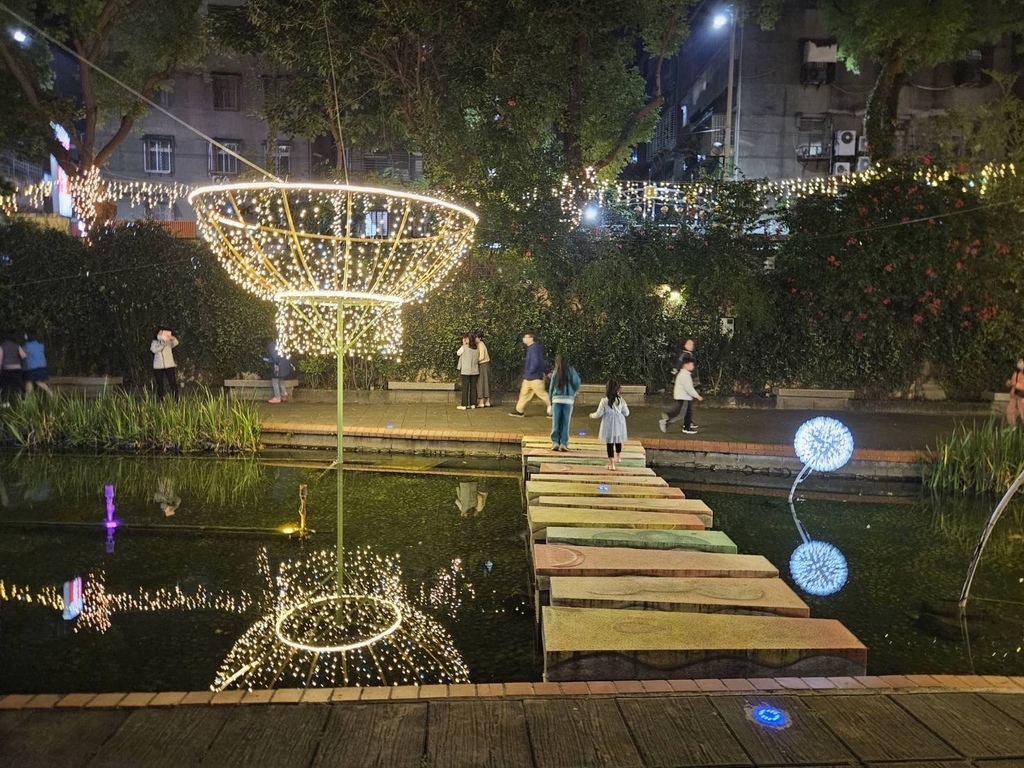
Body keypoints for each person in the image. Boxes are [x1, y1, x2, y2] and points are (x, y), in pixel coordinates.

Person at [590, 380, 631, 470]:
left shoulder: (604, 401)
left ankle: (612, 464)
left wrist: (592, 415)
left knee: (609, 443)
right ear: (617, 390)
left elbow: (599, 413)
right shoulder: (621, 400)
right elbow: (627, 413)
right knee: (618, 439)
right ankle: (618, 456)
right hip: (619, 423)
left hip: (608, 424)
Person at [509, 332, 551, 417]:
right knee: (524, 394)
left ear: (531, 338)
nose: (524, 339)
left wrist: (530, 371)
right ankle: (519, 410)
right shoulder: (533, 348)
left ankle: (554, 409)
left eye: (526, 337)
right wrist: (546, 372)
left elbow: (536, 362)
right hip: (530, 377)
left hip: (534, 377)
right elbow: (541, 362)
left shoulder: (534, 348)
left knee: (542, 394)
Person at [547, 354, 581, 451]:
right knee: (565, 422)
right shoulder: (571, 371)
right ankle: (563, 443)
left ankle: (555, 442)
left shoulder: (556, 372)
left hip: (556, 399)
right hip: (568, 400)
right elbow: (577, 382)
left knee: (556, 422)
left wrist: (550, 400)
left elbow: (551, 388)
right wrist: (574, 390)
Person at [662, 359, 702, 434]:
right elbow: (689, 388)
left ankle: (685, 425)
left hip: (683, 396)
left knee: (685, 412)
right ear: (686, 365)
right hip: (684, 397)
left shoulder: (683, 374)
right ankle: (667, 420)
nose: (693, 367)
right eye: (691, 365)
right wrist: (697, 396)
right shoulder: (685, 375)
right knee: (682, 413)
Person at [150, 327, 179, 400]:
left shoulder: (169, 342)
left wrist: (172, 338)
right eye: (159, 333)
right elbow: (153, 350)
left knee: (172, 382)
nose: (161, 335)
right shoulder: (154, 343)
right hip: (158, 366)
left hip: (169, 365)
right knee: (160, 383)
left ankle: (176, 398)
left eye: (162, 333)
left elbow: (176, 343)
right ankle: (160, 399)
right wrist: (162, 346)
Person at [22, 332, 53, 396]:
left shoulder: (25, 346)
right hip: (42, 366)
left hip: (30, 367)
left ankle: (29, 397)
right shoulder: (41, 345)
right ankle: (50, 392)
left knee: (30, 381)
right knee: (35, 381)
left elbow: (23, 356)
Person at [263, 339, 293, 404]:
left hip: (279, 367)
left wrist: (268, 360)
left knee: (274, 381)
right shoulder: (278, 345)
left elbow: (276, 359)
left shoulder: (271, 347)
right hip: (284, 366)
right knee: (280, 380)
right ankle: (284, 393)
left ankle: (277, 397)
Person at [456, 333, 480, 409]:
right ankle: (473, 404)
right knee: (473, 387)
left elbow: (458, 353)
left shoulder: (464, 347)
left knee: (465, 387)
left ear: (468, 339)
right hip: (475, 370)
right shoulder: (476, 348)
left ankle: (464, 404)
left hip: (466, 370)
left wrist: (464, 344)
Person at [0, 332, 26, 398]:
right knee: (19, 385)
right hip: (17, 368)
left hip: (7, 369)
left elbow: (0, 358)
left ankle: (6, 401)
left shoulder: (2, 346)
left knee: (5, 386)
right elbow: (24, 356)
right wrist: (20, 363)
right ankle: (22, 399)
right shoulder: (17, 345)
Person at [475, 330, 492, 407]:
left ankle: (482, 401)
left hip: (483, 365)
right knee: (486, 382)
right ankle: (487, 401)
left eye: (476, 337)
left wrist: (475, 361)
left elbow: (482, 357)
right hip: (486, 365)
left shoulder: (480, 345)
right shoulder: (481, 344)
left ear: (479, 338)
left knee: (481, 383)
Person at [1006, 358, 1024, 426]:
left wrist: (1015, 384)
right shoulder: (1016, 373)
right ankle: (1012, 427)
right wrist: (1009, 383)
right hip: (1014, 395)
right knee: (1010, 411)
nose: (1019, 364)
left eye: (1020, 362)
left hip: (1022, 397)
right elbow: (1012, 382)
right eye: (1018, 363)